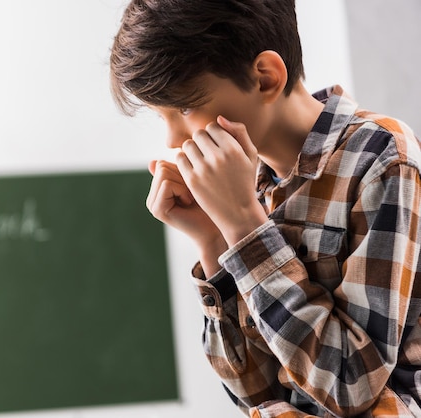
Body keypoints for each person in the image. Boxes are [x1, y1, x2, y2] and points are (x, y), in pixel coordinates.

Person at [109, 0, 421, 417]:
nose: (171, 140)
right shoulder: (245, 183)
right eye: (159, 115)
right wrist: (214, 239)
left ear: (265, 78)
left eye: (184, 108)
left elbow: (352, 384)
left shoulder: (380, 156)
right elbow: (254, 393)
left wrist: (244, 227)